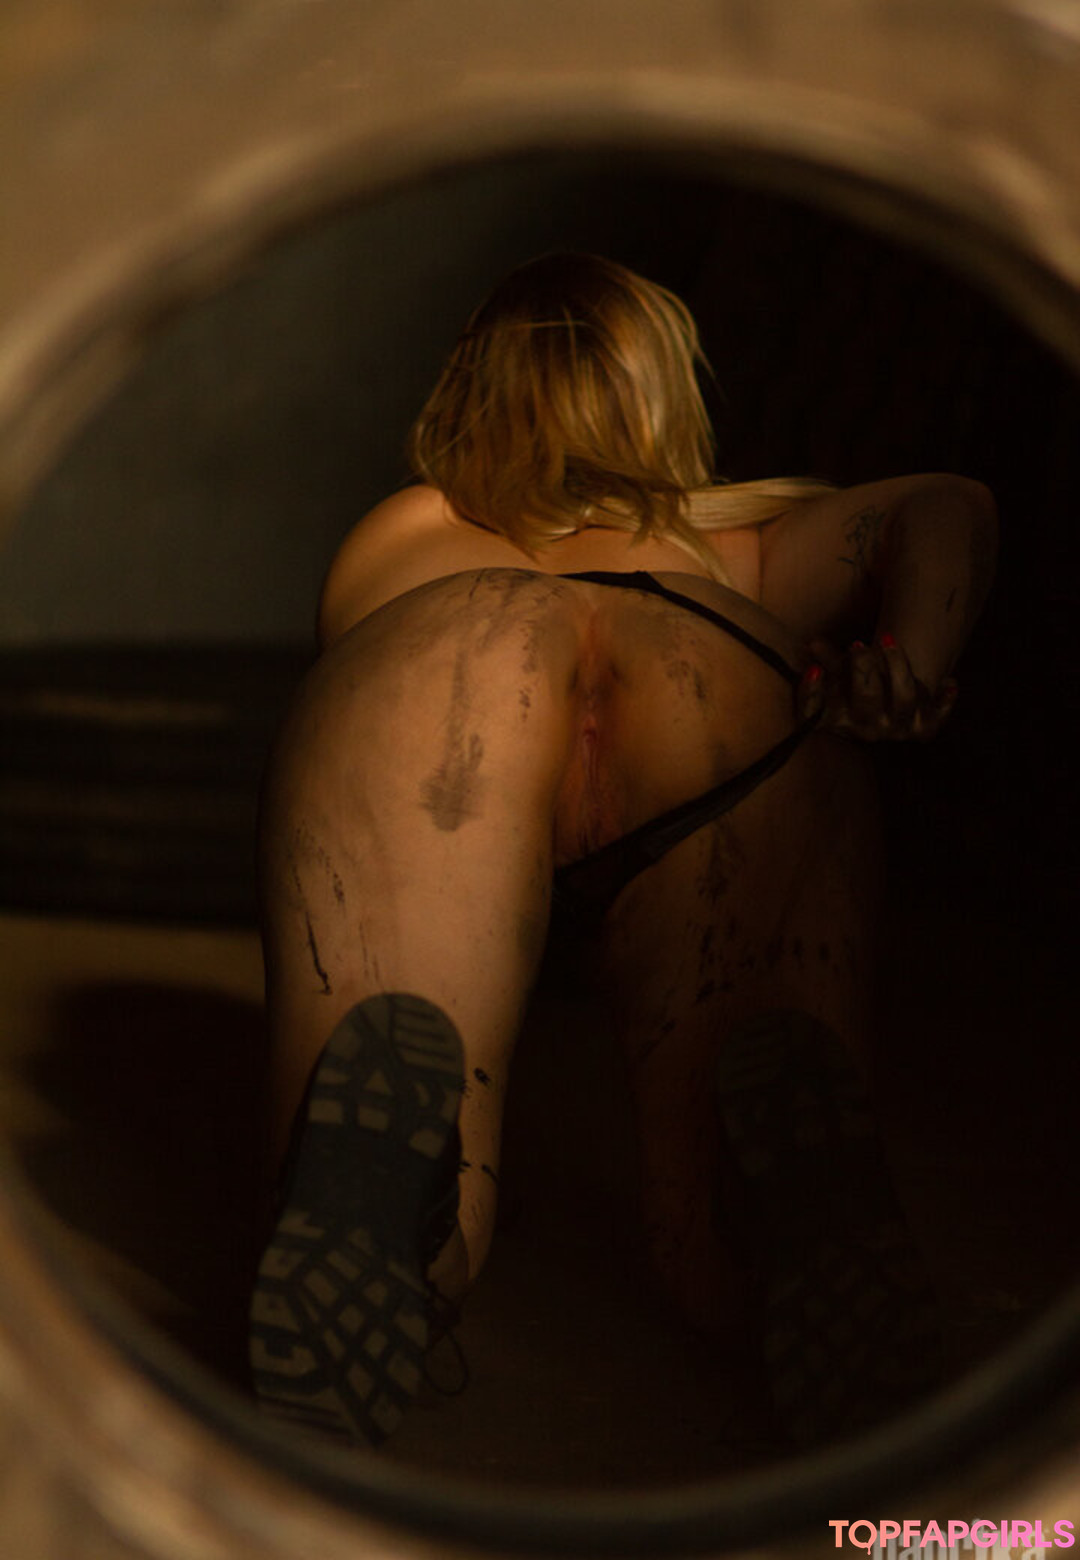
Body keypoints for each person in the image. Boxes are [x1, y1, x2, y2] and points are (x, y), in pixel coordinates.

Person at [247, 253, 997, 1450]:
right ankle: (760, 1226)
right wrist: (908, 661)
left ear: (470, 387)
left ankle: (399, 1214)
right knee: (710, 1249)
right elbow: (948, 503)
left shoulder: (401, 532)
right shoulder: (735, 545)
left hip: (441, 652)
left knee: (403, 1107)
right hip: (706, 656)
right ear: (662, 394)